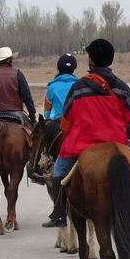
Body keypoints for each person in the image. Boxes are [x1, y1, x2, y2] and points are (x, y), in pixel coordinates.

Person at [50, 39, 130, 226]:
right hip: (115, 143)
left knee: (59, 168)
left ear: (91, 59)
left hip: (82, 145)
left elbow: (66, 120)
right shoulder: (120, 86)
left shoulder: (79, 87)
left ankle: (59, 212)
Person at [40, 53, 79, 228]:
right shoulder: (79, 84)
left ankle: (40, 163)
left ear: (58, 68)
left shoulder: (52, 87)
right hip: (77, 125)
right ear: (74, 69)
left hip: (57, 123)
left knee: (44, 150)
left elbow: (47, 114)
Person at [0, 46, 36, 124]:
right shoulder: (18, 73)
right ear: (10, 59)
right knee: (32, 134)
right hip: (16, 112)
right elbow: (27, 97)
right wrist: (32, 115)